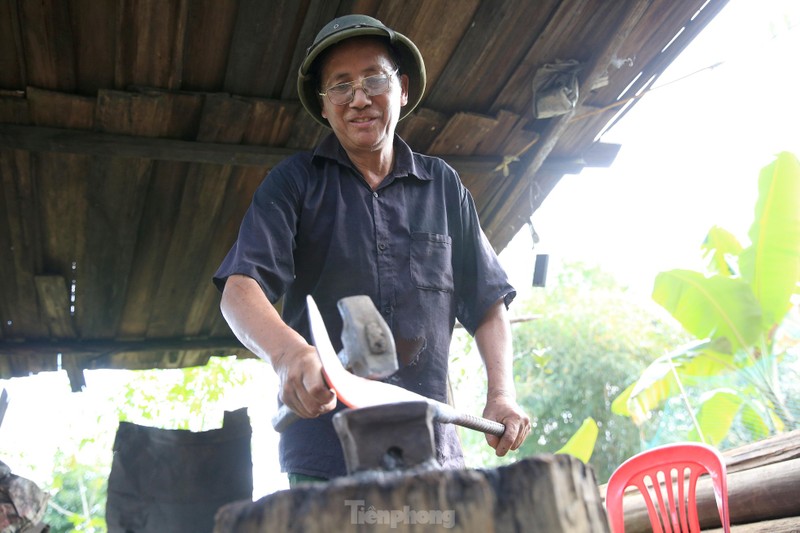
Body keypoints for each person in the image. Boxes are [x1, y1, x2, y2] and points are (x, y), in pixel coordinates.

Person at [213, 14, 531, 484]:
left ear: (401, 89)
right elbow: (239, 290)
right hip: (327, 458)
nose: (359, 98)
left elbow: (487, 301)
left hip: (431, 454)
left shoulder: (443, 186)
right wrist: (287, 355)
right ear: (324, 106)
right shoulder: (294, 184)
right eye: (340, 86)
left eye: (373, 79)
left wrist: (501, 393)